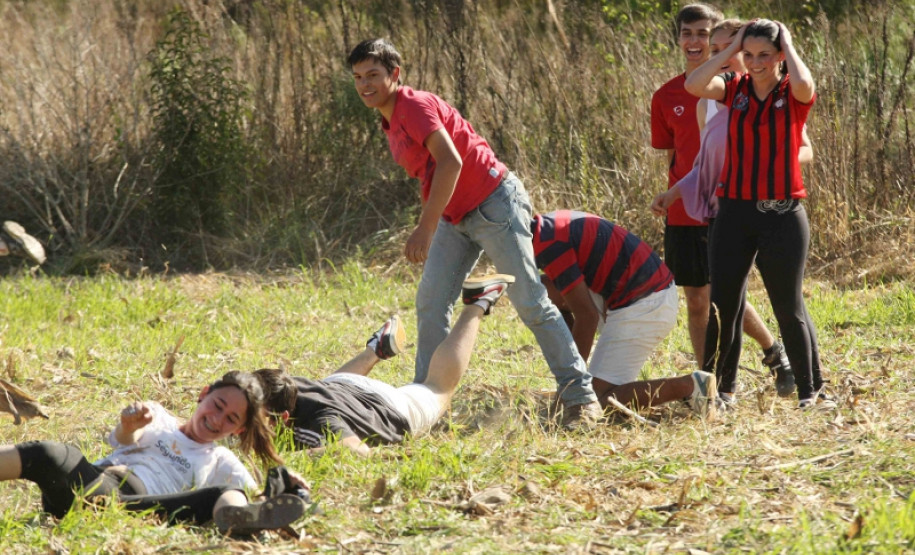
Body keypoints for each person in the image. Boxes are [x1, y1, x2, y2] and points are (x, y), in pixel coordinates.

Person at [347, 38, 601, 428]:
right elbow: (431, 173)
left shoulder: (413, 106)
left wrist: (424, 227)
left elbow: (451, 162)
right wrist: (437, 218)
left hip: (493, 203)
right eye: (359, 77)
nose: (366, 84)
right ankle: (428, 403)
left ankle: (581, 400)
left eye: (374, 75)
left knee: (531, 303)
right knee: (431, 303)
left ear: (394, 75)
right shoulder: (389, 116)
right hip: (456, 217)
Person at [650, 19, 810, 399]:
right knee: (706, 301)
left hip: (759, 209)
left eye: (732, 48)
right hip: (707, 208)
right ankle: (715, 389)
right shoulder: (712, 99)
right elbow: (705, 162)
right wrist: (674, 193)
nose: (726, 56)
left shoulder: (775, 95)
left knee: (747, 301)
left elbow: (804, 147)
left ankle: (783, 363)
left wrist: (768, 169)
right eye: (721, 48)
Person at [684, 19, 828, 408]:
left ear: (780, 55)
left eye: (765, 54)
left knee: (788, 305)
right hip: (733, 212)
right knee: (723, 305)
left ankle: (811, 391)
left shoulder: (791, 93)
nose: (757, 62)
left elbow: (806, 85)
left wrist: (789, 45)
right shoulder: (735, 89)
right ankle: (723, 393)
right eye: (751, 55)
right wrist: (732, 54)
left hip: (782, 214)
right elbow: (694, 85)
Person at [0, 371, 307, 535]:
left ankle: (241, 523)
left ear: (238, 431)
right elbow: (123, 439)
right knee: (50, 453)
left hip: (140, 507)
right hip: (95, 488)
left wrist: (285, 484)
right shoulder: (158, 417)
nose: (217, 419)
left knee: (224, 492)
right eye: (218, 406)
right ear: (203, 395)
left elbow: (255, 495)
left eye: (231, 419)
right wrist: (128, 423)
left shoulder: (220, 460)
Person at [255, 275, 515, 456]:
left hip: (391, 405)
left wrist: (293, 458)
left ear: (281, 421)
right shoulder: (261, 388)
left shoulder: (324, 423)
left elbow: (356, 452)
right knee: (328, 387)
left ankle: (478, 303)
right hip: (340, 384)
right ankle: (376, 350)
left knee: (438, 388)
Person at [531, 210, 716, 417]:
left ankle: (690, 386)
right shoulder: (546, 227)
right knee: (537, 288)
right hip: (635, 294)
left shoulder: (551, 247)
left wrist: (570, 387)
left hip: (646, 304)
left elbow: (587, 317)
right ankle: (599, 377)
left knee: (593, 401)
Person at [650, 3, 722, 365]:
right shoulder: (665, 96)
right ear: (678, 38)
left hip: (726, 203)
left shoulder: (734, 87)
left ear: (718, 39)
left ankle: (774, 353)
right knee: (696, 297)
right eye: (687, 33)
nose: (694, 41)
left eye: (703, 33)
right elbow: (673, 155)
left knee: (724, 293)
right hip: (683, 208)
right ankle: (705, 378)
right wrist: (674, 195)